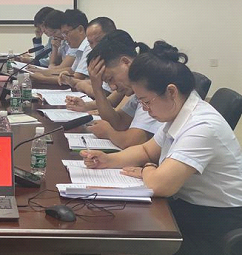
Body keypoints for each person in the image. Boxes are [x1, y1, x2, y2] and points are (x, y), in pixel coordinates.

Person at [81, 41, 242, 255]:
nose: (145, 109)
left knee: (121, 241)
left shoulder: (203, 126)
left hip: (215, 226)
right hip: (188, 209)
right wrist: (107, 160)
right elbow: (146, 150)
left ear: (171, 92)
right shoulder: (177, 114)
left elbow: (159, 185)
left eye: (146, 102)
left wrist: (148, 168)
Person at [73, 30, 162, 149]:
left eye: (111, 79)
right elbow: (119, 123)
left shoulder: (152, 84)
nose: (113, 87)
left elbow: (133, 141)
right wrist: (97, 88)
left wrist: (108, 132)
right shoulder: (137, 89)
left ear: (125, 62)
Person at [74, 16, 117, 97]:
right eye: (90, 42)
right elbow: (100, 84)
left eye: (99, 41)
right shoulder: (100, 57)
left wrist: (83, 86)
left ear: (112, 36)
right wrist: (71, 80)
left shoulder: (117, 60)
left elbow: (107, 95)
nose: (94, 47)